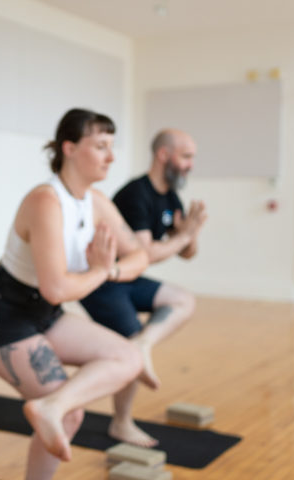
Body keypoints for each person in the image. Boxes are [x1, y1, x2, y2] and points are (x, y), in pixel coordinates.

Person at [0, 108, 152, 480]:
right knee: (72, 419)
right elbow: (56, 288)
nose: (110, 157)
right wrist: (101, 271)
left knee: (129, 355)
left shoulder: (94, 200)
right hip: (4, 316)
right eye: (101, 146)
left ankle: (51, 406)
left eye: (112, 147)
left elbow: (140, 255)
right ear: (69, 149)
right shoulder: (46, 200)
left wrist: (105, 270)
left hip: (42, 313)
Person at [80, 128, 207, 448]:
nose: (191, 164)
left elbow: (187, 253)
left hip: (130, 279)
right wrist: (182, 237)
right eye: (186, 156)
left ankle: (143, 344)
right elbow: (146, 253)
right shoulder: (137, 193)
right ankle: (121, 424)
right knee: (128, 344)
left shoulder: (169, 196)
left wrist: (190, 234)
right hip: (104, 281)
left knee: (183, 301)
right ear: (164, 155)